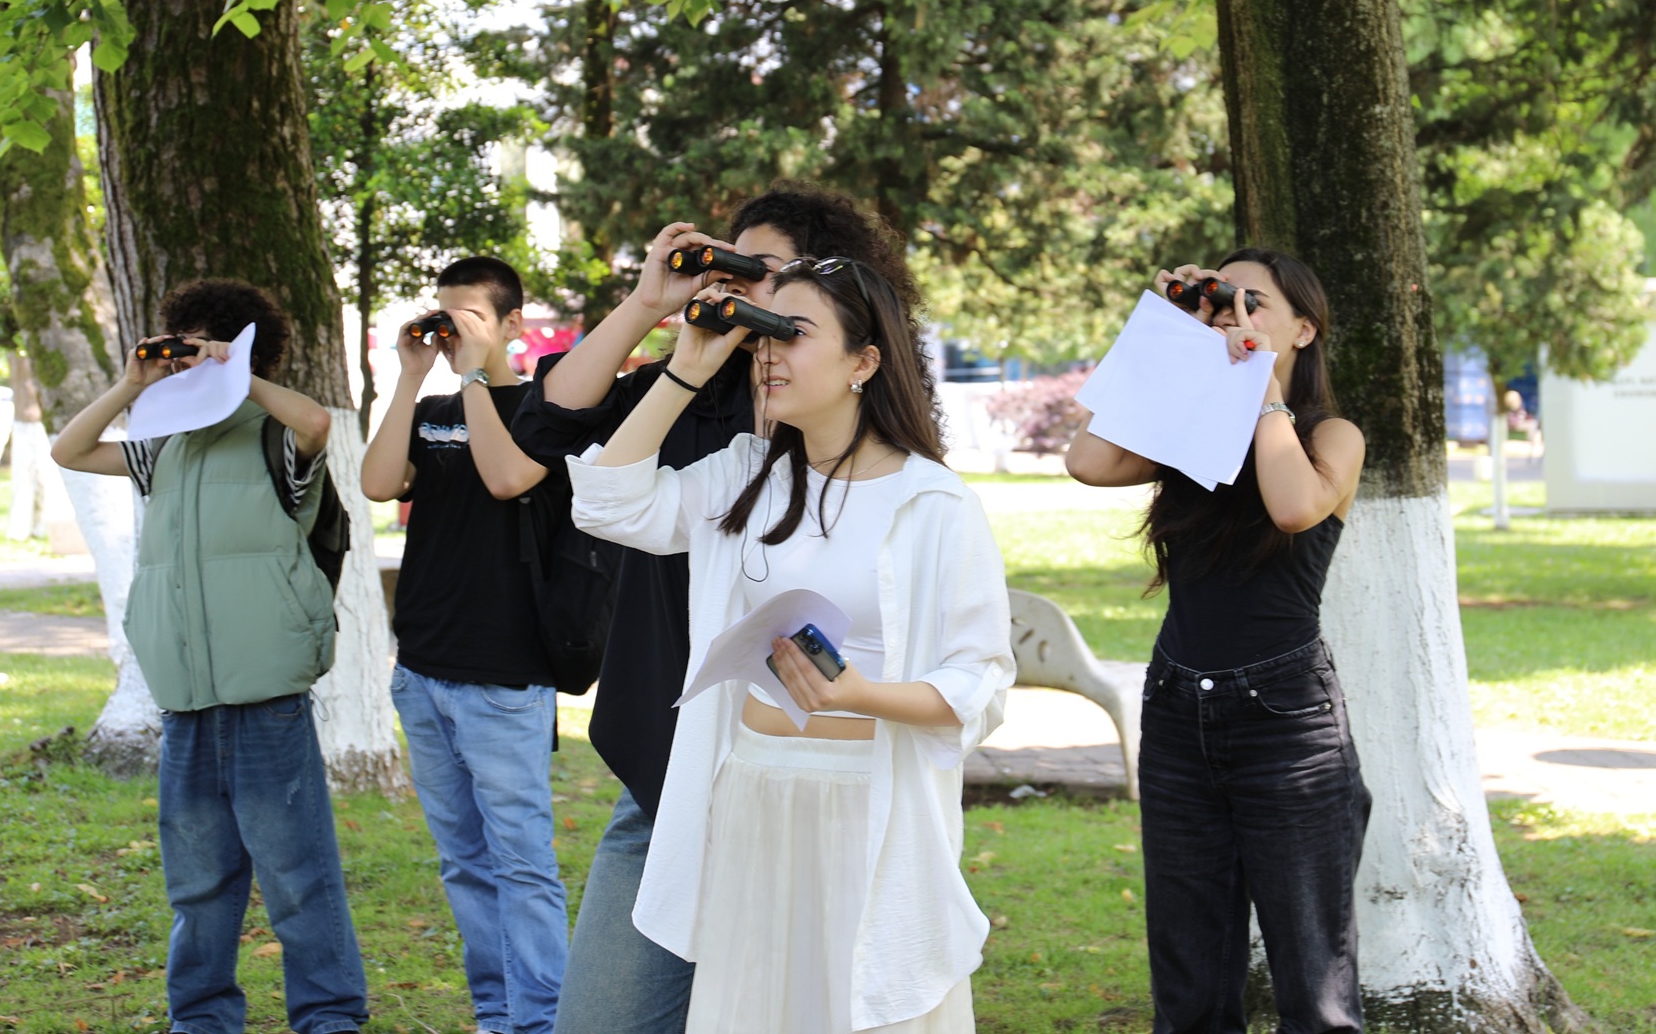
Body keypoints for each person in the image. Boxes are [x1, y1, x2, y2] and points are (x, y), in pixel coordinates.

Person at [508, 185, 924, 1034]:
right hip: (673, 773)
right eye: (734, 266)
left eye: (763, 272)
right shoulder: (707, 404)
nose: (741, 289)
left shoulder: (900, 479)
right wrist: (651, 312)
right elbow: (548, 433)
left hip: (811, 792)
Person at [567, 257, 1014, 1034]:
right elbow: (607, 504)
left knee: (858, 1005)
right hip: (753, 793)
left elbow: (981, 682)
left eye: (792, 334)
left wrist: (859, 695)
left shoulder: (934, 502)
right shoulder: (747, 475)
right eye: (762, 335)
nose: (767, 353)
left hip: (866, 806)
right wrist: (684, 370)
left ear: (863, 362)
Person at [1065, 250, 1369, 1034]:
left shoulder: (1333, 435)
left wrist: (1261, 389)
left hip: (1286, 722)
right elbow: (1088, 460)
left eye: (1252, 302)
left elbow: (1295, 506)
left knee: (1316, 992)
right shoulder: (1190, 425)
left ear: (1304, 329)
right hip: (1177, 709)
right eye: (1224, 300)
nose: (1234, 316)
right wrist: (1169, 335)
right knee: (1190, 985)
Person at [49, 278, 365, 1034]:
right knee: (196, 881)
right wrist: (133, 383)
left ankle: (328, 1017)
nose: (183, 364)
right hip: (187, 695)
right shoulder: (165, 447)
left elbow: (318, 422)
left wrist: (234, 371)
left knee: (297, 875)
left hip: (266, 695)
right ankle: (200, 1019)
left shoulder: (272, 436)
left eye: (197, 349)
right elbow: (69, 450)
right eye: (178, 349)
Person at [360, 255, 567, 1034]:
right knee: (464, 863)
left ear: (512, 323)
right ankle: (496, 1013)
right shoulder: (434, 405)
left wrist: (477, 376)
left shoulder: (548, 409)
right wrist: (410, 378)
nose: (450, 332)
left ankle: (542, 1021)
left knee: (522, 865)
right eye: (443, 317)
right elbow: (378, 484)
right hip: (422, 670)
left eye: (469, 318)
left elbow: (507, 480)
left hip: (503, 676)